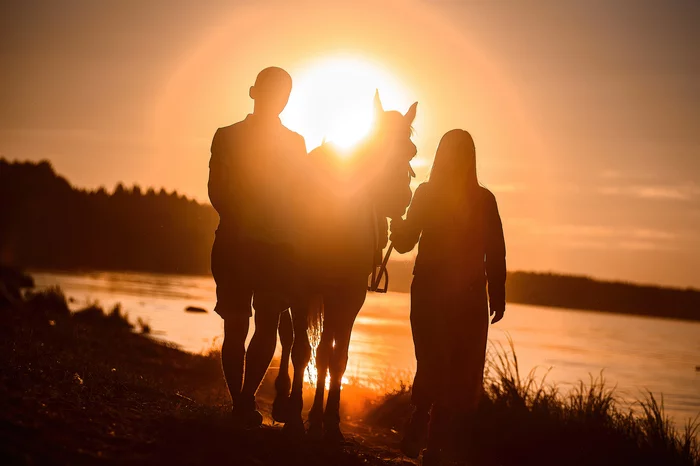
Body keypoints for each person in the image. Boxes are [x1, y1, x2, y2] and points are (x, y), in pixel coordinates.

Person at [390, 129, 506, 465]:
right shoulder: (482, 199)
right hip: (465, 296)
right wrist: (496, 293)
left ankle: (422, 425)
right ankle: (432, 440)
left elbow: (404, 243)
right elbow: (495, 252)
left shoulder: (429, 194)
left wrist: (396, 229)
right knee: (454, 368)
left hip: (434, 290)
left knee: (434, 362)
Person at [208, 67, 307, 428]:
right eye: (273, 91)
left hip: (271, 248)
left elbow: (301, 197)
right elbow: (217, 191)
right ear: (254, 92)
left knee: (261, 326)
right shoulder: (228, 136)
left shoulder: (294, 143)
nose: (278, 99)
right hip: (245, 245)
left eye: (283, 94)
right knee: (240, 326)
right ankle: (241, 401)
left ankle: (244, 399)